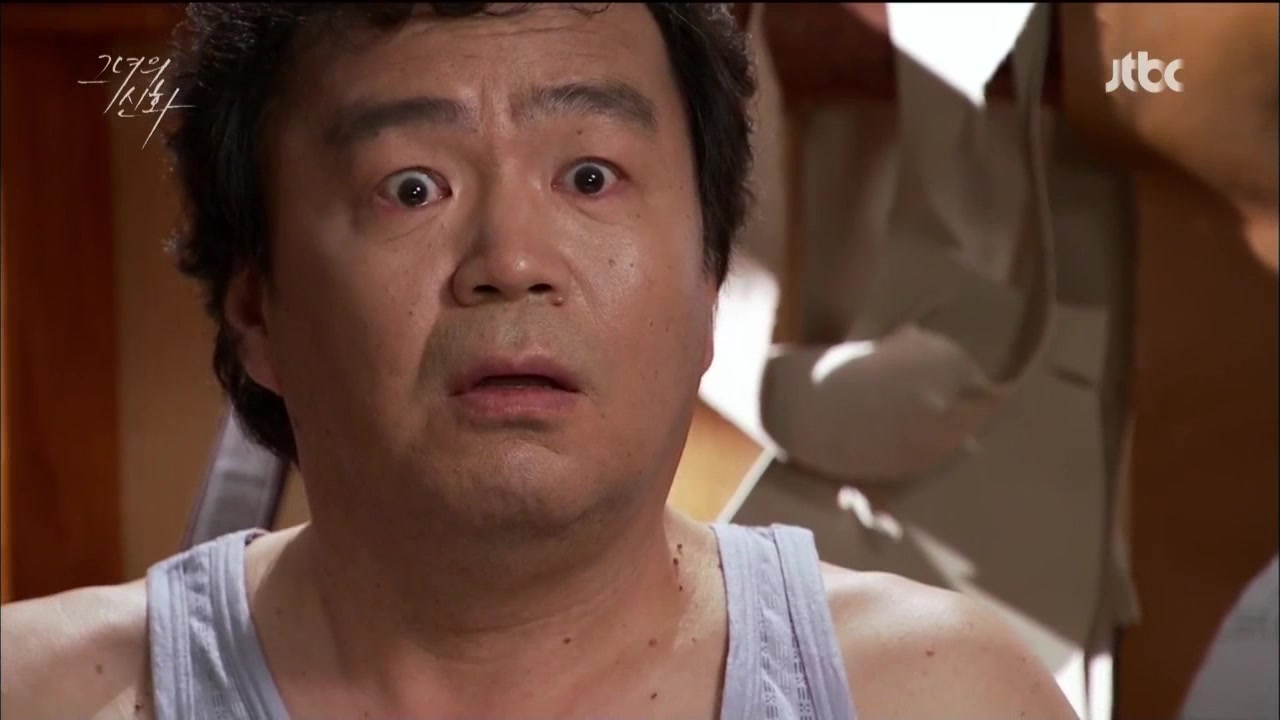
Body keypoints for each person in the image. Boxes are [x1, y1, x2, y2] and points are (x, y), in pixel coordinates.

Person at [0, 4, 1078, 719]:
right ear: (255, 309)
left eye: (590, 177)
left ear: (708, 286)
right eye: (412, 188)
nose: (511, 261)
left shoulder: (939, 696)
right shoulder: (44, 694)